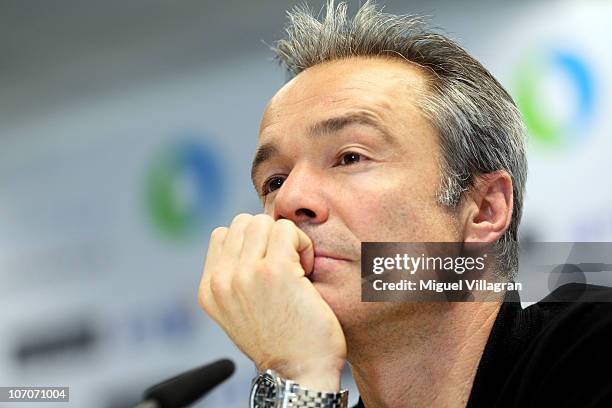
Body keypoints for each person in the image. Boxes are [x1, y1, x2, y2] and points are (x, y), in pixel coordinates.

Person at [198, 1, 612, 407]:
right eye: (274, 181)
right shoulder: (313, 389)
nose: (289, 200)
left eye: (350, 157)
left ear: (485, 209)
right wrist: (297, 377)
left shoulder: (594, 350)